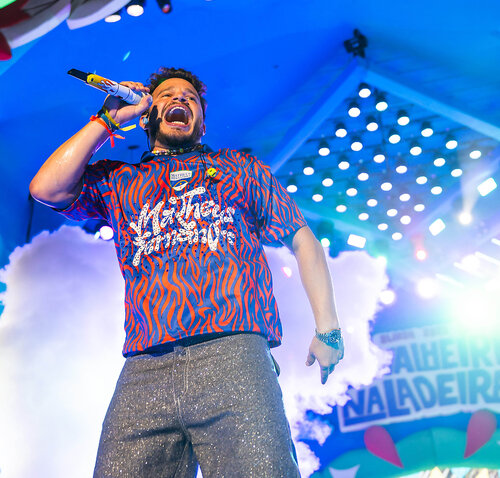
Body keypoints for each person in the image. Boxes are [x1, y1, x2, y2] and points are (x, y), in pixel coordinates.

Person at [30, 66, 343, 478]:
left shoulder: (240, 168)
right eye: (167, 95)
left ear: (201, 122)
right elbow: (46, 189)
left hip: (233, 355)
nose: (180, 99)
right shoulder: (117, 181)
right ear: (146, 114)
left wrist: (328, 329)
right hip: (145, 367)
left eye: (190, 98)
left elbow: (302, 239)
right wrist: (106, 120)